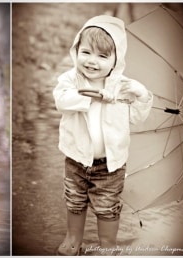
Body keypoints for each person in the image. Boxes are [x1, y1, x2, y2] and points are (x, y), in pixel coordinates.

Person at [53, 15, 153, 256]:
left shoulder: (123, 86)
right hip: (76, 159)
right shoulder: (71, 79)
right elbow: (61, 101)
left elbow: (138, 117)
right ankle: (73, 238)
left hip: (111, 165)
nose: (92, 61)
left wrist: (141, 94)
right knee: (74, 200)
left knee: (107, 207)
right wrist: (93, 95)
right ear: (76, 50)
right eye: (86, 52)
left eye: (102, 56)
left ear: (116, 60)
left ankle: (107, 244)